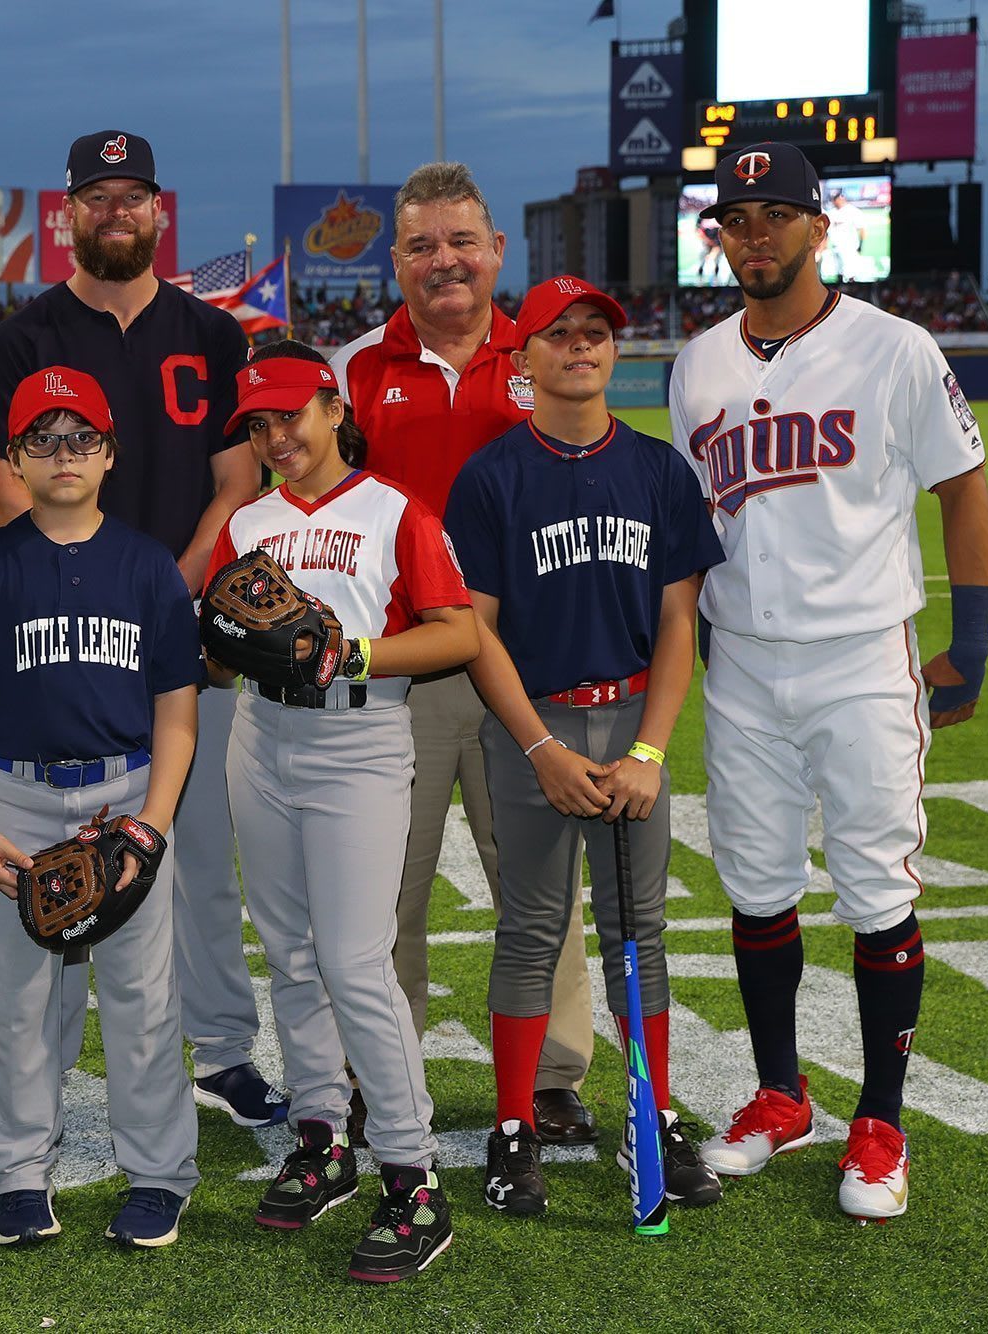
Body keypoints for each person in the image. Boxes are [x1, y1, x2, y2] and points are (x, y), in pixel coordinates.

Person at [670, 142, 988, 1221]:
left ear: (820, 227)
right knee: (755, 882)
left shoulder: (893, 346)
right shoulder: (697, 363)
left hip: (862, 655)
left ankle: (882, 1117)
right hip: (742, 660)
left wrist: (973, 641)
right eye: (736, 218)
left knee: (874, 889)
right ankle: (778, 1093)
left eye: (775, 215)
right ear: (716, 235)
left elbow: (960, 487)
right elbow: (692, 522)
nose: (753, 235)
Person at [0, 130, 280, 1129]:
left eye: (130, 195)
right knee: (55, 868)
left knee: (197, 857)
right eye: (95, 197)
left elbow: (237, 483)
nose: (115, 212)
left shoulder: (214, 335)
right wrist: (91, 592)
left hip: (189, 629)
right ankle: (41, 1075)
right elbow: (3, 484)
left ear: (157, 209)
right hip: (57, 644)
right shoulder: (23, 338)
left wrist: (157, 589)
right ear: (68, 215)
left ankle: (222, 1049)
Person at [443, 276, 727, 1217]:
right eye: (558, 334)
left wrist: (649, 751)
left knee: (637, 933)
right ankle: (515, 1122)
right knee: (530, 928)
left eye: (596, 331)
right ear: (523, 359)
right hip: (537, 725)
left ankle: (653, 1112)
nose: (580, 347)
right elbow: (476, 631)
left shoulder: (656, 470)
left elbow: (679, 621)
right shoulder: (493, 476)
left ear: (616, 349)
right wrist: (537, 749)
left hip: (633, 714)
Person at [331, 161, 597, 1143]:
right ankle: (378, 1072)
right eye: (419, 245)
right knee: (377, 885)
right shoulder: (354, 366)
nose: (442, 260)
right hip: (400, 665)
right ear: (394, 261)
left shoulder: (546, 356)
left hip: (523, 662)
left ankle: (554, 1072)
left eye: (458, 241)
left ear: (494, 252)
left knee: (535, 876)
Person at [208, 343, 478, 1283]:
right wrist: (230, 643)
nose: (277, 437)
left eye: (291, 415)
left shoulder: (395, 509)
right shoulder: (247, 520)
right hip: (261, 737)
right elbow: (214, 647)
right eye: (259, 424)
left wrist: (346, 652)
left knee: (355, 960)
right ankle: (321, 1136)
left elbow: (457, 632)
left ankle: (413, 1175)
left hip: (360, 739)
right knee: (287, 951)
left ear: (333, 406)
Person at [0, 366, 203, 1250]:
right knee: (16, 999)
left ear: (110, 452)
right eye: (41, 440)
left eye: (81, 437)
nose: (63, 454)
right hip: (15, 793)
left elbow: (177, 713)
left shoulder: (147, 565)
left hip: (124, 792)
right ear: (11, 459)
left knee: (141, 996)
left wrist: (152, 824)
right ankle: (17, 1171)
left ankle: (158, 1172)